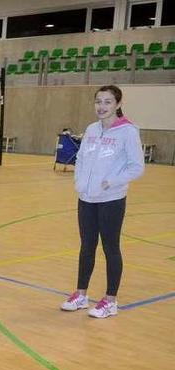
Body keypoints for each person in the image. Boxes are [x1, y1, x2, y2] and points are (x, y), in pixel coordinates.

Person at [60, 85, 144, 318]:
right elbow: (82, 159)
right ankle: (81, 294)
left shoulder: (128, 131)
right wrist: (79, 183)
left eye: (107, 102)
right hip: (86, 198)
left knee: (110, 247)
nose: (102, 107)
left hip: (111, 199)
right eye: (98, 101)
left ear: (117, 104)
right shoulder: (91, 129)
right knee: (87, 246)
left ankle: (110, 300)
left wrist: (112, 181)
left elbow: (137, 167)